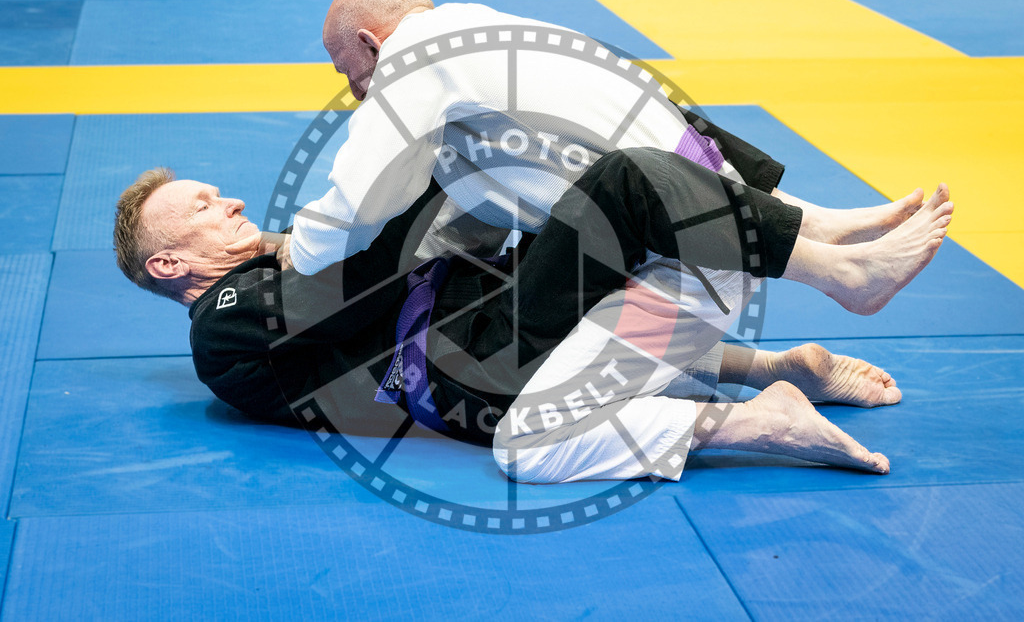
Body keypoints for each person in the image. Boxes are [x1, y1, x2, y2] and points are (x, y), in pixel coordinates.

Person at [114, 146, 952, 482]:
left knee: (619, 143)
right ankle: (831, 275)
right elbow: (360, 281)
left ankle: (781, 350)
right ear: (170, 263)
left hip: (512, 326)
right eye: (202, 207)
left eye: (217, 192)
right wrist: (433, 158)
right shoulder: (221, 325)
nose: (226, 200)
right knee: (621, 184)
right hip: (476, 365)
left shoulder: (297, 254)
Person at [233, 0, 930, 324]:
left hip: (676, 246)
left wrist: (301, 245)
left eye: (344, 70)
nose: (353, 89)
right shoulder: (479, 25)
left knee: (615, 171)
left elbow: (358, 199)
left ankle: (840, 272)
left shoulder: (410, 61)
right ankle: (811, 219)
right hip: (698, 186)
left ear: (369, 42)